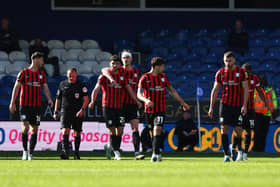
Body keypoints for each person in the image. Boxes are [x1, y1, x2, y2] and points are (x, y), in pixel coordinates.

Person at [89, 55, 142, 160]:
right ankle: (117, 152)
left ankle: (111, 147)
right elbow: (96, 89)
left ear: (119, 65)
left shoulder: (122, 76)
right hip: (107, 107)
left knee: (120, 130)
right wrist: (92, 101)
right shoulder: (104, 76)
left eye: (117, 63)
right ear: (110, 64)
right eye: (113, 63)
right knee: (112, 130)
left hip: (120, 107)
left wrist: (137, 100)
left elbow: (129, 89)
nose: (115, 65)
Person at [137, 57, 190, 162]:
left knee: (157, 129)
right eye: (162, 66)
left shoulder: (163, 78)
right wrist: (146, 100)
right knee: (152, 133)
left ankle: (155, 154)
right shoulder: (145, 78)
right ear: (157, 66)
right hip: (148, 110)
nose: (164, 68)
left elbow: (172, 91)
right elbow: (139, 93)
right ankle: (156, 151)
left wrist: (182, 102)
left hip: (160, 109)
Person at [9, 52, 53, 160]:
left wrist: (49, 99)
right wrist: (12, 102)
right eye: (41, 60)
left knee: (34, 129)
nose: (43, 62)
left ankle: (31, 153)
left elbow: (45, 87)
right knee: (25, 127)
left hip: (36, 106)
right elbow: (16, 87)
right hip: (24, 105)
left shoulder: (41, 74)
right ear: (35, 59)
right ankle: (24, 151)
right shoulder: (23, 73)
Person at [208, 51, 249, 162]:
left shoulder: (241, 72)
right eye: (226, 61)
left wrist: (245, 105)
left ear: (234, 60)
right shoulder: (220, 73)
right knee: (224, 128)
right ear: (223, 61)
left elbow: (246, 89)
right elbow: (215, 90)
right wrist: (211, 107)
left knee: (239, 130)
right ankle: (226, 155)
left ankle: (235, 148)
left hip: (238, 105)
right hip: (225, 104)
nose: (228, 63)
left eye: (230, 60)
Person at [53, 68, 89, 160]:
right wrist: (55, 111)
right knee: (65, 131)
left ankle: (76, 153)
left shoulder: (81, 85)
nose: (71, 77)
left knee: (77, 132)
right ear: (67, 75)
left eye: (73, 76)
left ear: (76, 75)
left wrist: (82, 110)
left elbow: (86, 99)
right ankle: (66, 152)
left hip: (77, 112)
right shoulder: (62, 84)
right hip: (65, 111)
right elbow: (58, 99)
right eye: (70, 76)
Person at [239, 64, 266, 160]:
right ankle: (238, 151)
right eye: (244, 71)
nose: (246, 73)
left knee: (248, 130)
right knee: (238, 130)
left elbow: (259, 91)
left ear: (250, 71)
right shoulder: (238, 79)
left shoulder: (254, 79)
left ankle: (245, 153)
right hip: (239, 108)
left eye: (248, 71)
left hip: (250, 109)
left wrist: (265, 101)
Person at [253, 75, 278, 152]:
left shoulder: (270, 90)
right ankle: (257, 149)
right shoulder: (256, 90)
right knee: (258, 133)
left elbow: (274, 102)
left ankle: (260, 149)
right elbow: (252, 101)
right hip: (258, 114)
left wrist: (273, 112)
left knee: (262, 133)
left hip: (265, 114)